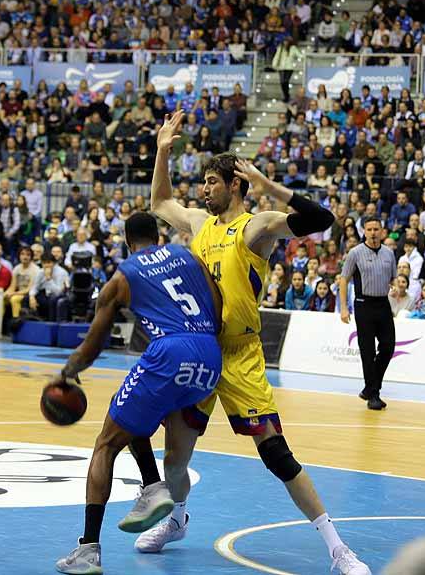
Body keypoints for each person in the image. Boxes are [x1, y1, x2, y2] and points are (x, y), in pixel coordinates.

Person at [133, 110, 369, 574]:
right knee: (175, 458)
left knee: (278, 455)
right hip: (199, 353)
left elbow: (320, 218)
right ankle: (177, 519)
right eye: (202, 183)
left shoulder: (256, 227)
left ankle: (338, 548)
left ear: (234, 185)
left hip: (241, 356)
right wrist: (162, 150)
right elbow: (160, 201)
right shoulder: (200, 223)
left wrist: (268, 183)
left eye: (211, 183)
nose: (203, 190)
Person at [52, 213, 224, 574]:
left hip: (169, 352)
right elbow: (218, 303)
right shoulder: (188, 254)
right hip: (209, 357)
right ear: (158, 235)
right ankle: (152, 487)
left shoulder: (124, 275)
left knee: (106, 443)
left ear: (128, 242)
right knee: (132, 416)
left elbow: (94, 344)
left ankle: (88, 550)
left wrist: (68, 372)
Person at [339, 216, 398, 410]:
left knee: (388, 347)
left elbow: (393, 278)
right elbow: (343, 280)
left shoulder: (389, 254)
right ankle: (374, 394)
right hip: (363, 305)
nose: (373, 232)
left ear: (382, 231)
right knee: (367, 350)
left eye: (376, 229)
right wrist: (344, 308)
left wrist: (395, 287)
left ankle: (370, 387)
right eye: (369, 229)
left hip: (383, 304)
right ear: (364, 231)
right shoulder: (355, 253)